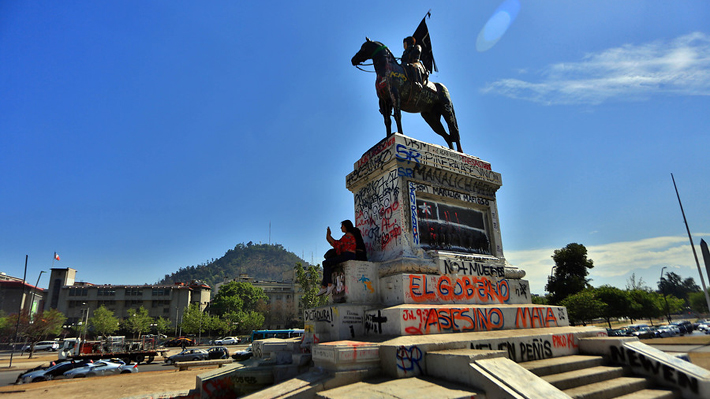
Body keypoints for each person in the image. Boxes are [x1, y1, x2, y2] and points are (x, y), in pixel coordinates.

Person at [317, 220, 365, 296]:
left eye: (342, 226)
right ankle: (324, 286)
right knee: (328, 263)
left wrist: (328, 235)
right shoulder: (349, 235)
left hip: (348, 255)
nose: (341, 228)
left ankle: (328, 285)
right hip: (348, 255)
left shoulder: (348, 236)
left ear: (346, 226)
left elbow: (337, 244)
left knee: (326, 262)